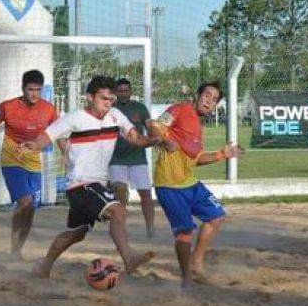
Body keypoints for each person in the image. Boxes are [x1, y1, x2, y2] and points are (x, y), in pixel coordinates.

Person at [20, 76, 158, 279]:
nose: (108, 104)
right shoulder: (74, 118)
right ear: (90, 97)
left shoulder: (115, 115)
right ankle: (129, 260)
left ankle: (44, 266)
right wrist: (34, 145)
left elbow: (134, 137)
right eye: (104, 99)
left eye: (111, 99)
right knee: (118, 211)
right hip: (81, 184)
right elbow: (47, 136)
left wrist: (151, 141)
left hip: (94, 185)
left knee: (76, 233)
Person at [148, 82, 244, 289]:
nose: (210, 101)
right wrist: (163, 141)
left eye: (214, 100)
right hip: (169, 185)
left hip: (189, 183)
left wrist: (221, 154)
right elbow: (155, 125)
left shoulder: (198, 127)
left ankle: (195, 262)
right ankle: (186, 278)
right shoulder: (180, 109)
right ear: (198, 95)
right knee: (184, 233)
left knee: (217, 217)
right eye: (207, 95)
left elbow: (197, 158)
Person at [0, 70, 65, 258]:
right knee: (24, 202)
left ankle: (18, 249)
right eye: (30, 89)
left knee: (31, 207)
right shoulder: (7, 107)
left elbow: (58, 132)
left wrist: (65, 153)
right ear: (23, 88)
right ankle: (14, 250)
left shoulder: (49, 109)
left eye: (38, 90)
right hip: (11, 160)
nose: (34, 94)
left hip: (33, 161)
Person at [109, 78, 155, 237]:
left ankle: (150, 228)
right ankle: (120, 227)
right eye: (120, 91)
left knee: (146, 194)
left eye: (126, 90)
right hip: (116, 159)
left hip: (138, 159)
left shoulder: (140, 108)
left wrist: (154, 137)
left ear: (131, 91)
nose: (123, 93)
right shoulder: (110, 109)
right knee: (120, 192)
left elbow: (150, 127)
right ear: (115, 92)